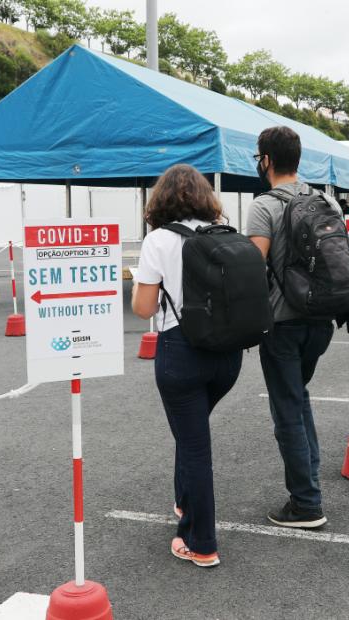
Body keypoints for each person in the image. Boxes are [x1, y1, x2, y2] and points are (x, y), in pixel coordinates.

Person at [131, 164, 244, 568]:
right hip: (228, 356)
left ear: (161, 199)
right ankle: (183, 502)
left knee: (194, 444)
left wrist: (141, 282)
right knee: (190, 431)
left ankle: (201, 541)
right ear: (205, 198)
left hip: (181, 353)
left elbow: (143, 307)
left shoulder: (158, 241)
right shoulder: (226, 236)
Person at [246, 126, 339, 529]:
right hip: (321, 321)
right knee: (298, 400)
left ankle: (306, 503)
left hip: (282, 323)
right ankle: (309, 486)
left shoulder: (263, 205)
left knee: (287, 409)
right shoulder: (326, 200)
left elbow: (251, 267)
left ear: (266, 159)